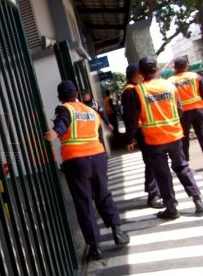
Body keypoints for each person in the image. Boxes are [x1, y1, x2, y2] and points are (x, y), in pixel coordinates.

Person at [44, 80, 129, 260]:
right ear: (76, 94)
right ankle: (117, 232)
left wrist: (55, 132)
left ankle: (95, 247)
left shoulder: (64, 109)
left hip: (77, 160)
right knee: (103, 194)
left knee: (84, 201)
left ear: (60, 97)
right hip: (97, 157)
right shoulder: (91, 111)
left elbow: (62, 123)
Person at [122, 56, 203, 219]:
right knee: (182, 167)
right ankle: (198, 200)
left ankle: (171, 208)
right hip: (174, 135)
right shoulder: (170, 85)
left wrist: (130, 138)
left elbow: (132, 118)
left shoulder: (137, 91)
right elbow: (179, 109)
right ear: (157, 69)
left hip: (154, 139)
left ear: (140, 73)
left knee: (162, 173)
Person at [122, 63, 162, 208]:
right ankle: (153, 194)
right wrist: (130, 138)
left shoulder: (133, 89)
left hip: (144, 131)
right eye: (141, 74)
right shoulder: (130, 91)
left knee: (153, 161)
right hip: (141, 131)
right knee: (151, 162)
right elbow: (130, 117)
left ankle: (156, 191)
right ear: (137, 75)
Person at [168, 56, 203, 161]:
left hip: (181, 113)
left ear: (175, 67)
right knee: (202, 134)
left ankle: (185, 161)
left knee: (183, 138)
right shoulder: (195, 76)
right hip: (198, 110)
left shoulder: (170, 81)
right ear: (187, 66)